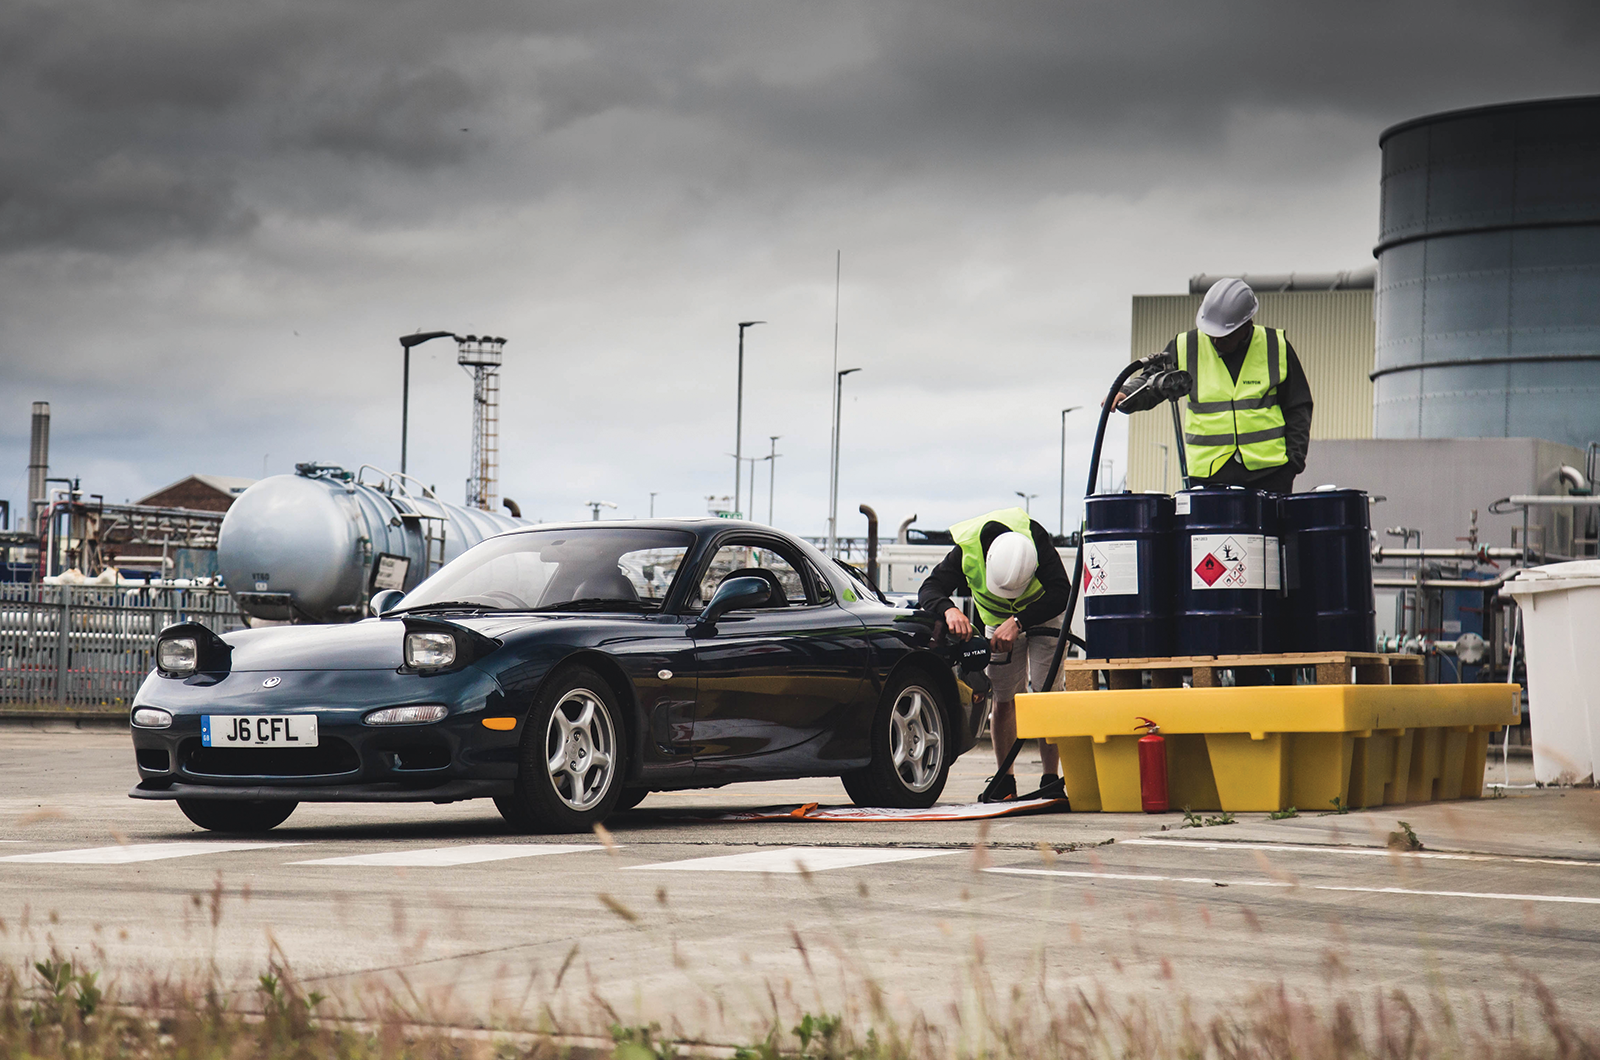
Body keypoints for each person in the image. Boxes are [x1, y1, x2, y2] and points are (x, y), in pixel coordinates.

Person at [917, 507, 1071, 800]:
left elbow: (1061, 591)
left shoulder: (1035, 539)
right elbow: (929, 588)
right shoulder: (966, 550)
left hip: (1044, 616)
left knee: (1046, 695)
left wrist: (1019, 622)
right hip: (996, 623)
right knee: (1002, 698)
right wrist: (949, 610)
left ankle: (1051, 780)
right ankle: (1004, 780)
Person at [1116, 277, 1314, 494]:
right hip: (1207, 478)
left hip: (1270, 475)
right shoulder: (1186, 346)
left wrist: (1293, 463)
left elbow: (1298, 406)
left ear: (1247, 325)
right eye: (1212, 334)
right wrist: (1126, 392)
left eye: (1224, 336)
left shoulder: (1275, 346)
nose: (1216, 341)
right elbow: (1152, 379)